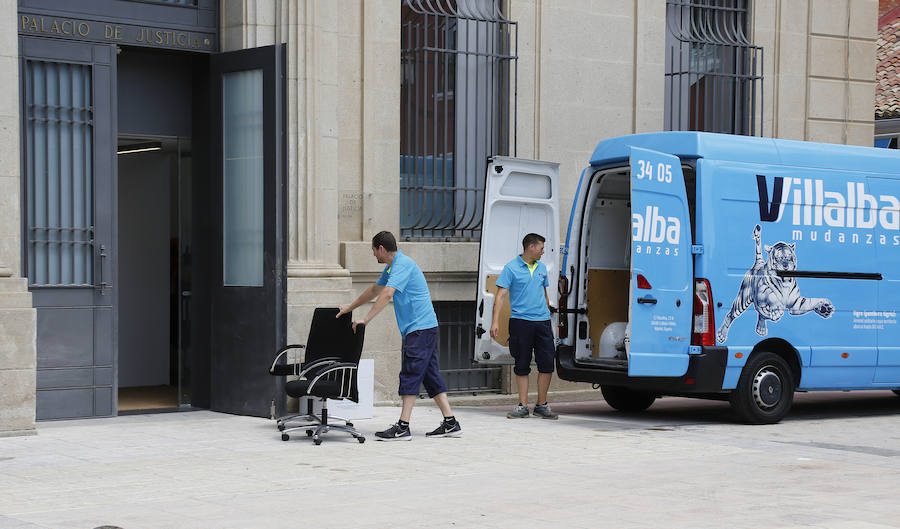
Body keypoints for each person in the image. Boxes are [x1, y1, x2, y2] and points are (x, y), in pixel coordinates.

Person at [336, 231, 461, 441]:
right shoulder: (392, 267)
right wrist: (350, 307)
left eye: (373, 250)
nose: (373, 254)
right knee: (430, 375)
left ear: (381, 249)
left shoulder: (402, 265)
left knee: (410, 373)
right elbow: (375, 290)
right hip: (424, 328)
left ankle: (403, 427)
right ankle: (451, 422)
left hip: (420, 329)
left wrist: (366, 319)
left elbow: (387, 294)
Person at [491, 233, 559, 420]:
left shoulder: (542, 268)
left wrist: (549, 319)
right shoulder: (511, 268)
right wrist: (495, 321)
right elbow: (500, 296)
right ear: (531, 247)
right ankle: (522, 406)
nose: (543, 252)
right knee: (522, 364)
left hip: (542, 322)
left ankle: (541, 405)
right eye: (541, 248)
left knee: (547, 364)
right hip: (520, 322)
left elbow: (544, 293)